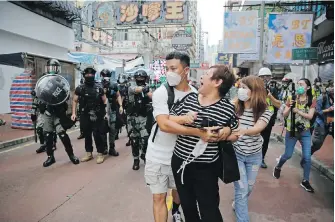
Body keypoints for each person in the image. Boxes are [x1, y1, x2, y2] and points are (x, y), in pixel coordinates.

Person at [165, 65, 238, 222]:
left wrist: (225, 132)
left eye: (206, 74)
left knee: (209, 209)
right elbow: (168, 119)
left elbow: (235, 133)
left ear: (217, 82)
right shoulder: (189, 99)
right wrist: (185, 119)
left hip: (207, 167)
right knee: (188, 206)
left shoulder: (227, 108)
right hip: (180, 163)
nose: (201, 77)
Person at [145, 52, 197, 222]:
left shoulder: (196, 95)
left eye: (173, 68)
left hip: (182, 155)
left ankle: (175, 210)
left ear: (186, 70)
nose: (169, 72)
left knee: (179, 192)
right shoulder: (162, 93)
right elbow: (164, 124)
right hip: (157, 155)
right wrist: (184, 119)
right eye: (167, 68)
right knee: (158, 198)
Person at [232, 76, 273, 222]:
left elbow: (257, 129)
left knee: (248, 188)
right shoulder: (234, 107)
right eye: (240, 87)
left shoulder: (265, 111)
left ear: (255, 91)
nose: (240, 90)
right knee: (242, 189)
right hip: (236, 154)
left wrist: (240, 131)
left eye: (244, 87)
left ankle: (238, 202)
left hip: (255, 155)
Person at [273, 78, 316, 193]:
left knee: (307, 157)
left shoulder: (312, 99)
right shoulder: (291, 98)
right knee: (288, 155)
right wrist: (290, 107)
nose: (299, 87)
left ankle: (305, 180)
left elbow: (310, 116)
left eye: (302, 84)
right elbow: (284, 114)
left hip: (305, 132)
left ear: (307, 87)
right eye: (298, 85)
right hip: (291, 131)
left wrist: (298, 111)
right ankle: (278, 167)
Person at [37, 59, 80, 167]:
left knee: (62, 134)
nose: (52, 70)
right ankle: (50, 157)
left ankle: (71, 155)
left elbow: (66, 95)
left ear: (58, 69)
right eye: (50, 68)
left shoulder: (61, 81)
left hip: (57, 113)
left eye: (54, 68)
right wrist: (36, 106)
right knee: (48, 135)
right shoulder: (43, 80)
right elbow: (38, 95)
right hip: (47, 112)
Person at [71, 66, 108, 164]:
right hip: (85, 114)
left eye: (91, 74)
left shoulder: (99, 87)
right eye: (87, 74)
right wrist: (74, 113)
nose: (89, 75)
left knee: (97, 134)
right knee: (87, 134)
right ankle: (89, 153)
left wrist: (106, 113)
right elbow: (74, 101)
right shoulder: (80, 88)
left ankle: (100, 154)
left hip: (97, 114)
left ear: (94, 75)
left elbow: (105, 100)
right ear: (84, 75)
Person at [127, 70, 152, 170]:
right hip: (132, 118)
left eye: (142, 78)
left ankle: (145, 155)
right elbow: (135, 89)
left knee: (146, 139)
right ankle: (136, 159)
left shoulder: (149, 88)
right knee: (134, 140)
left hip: (144, 118)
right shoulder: (131, 87)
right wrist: (144, 89)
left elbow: (152, 96)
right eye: (138, 78)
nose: (140, 80)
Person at [257, 67, 281, 168]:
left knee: (265, 140)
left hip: (268, 119)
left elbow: (277, 105)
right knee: (255, 138)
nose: (265, 78)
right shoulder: (255, 89)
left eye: (267, 76)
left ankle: (262, 158)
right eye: (263, 76)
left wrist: (273, 119)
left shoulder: (273, 90)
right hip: (257, 119)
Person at [308, 83, 334, 158]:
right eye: (333, 86)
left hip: (332, 123)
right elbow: (316, 111)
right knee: (317, 144)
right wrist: (328, 109)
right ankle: (306, 156)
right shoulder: (322, 97)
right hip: (322, 124)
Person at [100, 68, 121, 156]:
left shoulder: (114, 85)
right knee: (103, 129)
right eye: (104, 76)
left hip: (112, 109)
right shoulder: (98, 85)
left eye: (107, 75)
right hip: (102, 111)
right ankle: (104, 147)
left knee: (113, 129)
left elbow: (118, 95)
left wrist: (121, 106)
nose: (106, 77)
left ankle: (112, 148)